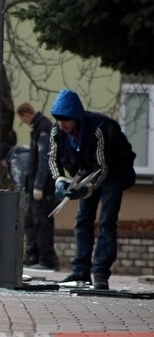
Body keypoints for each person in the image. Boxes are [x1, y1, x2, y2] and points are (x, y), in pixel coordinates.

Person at [49, 89, 136, 290]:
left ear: (76, 117)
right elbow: (52, 158)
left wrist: (84, 189)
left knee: (106, 220)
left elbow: (103, 166)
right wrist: (60, 181)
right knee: (83, 220)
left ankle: (101, 272)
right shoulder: (58, 131)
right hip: (87, 170)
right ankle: (81, 270)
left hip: (113, 172)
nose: (62, 125)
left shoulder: (99, 128)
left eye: (66, 120)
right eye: (58, 120)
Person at [16, 102, 59, 271]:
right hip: (37, 185)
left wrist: (39, 185)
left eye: (22, 118)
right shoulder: (40, 127)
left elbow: (44, 159)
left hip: (44, 187)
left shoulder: (43, 129)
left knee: (42, 222)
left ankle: (46, 260)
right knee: (31, 221)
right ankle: (33, 256)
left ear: (25, 114)